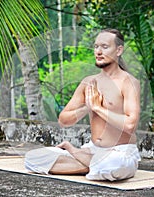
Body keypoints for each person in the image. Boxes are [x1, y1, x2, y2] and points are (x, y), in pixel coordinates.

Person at [25, 28, 141, 181]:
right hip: (92, 150)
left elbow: (130, 125)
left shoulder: (129, 82)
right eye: (96, 46)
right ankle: (91, 165)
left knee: (112, 165)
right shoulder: (89, 82)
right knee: (32, 158)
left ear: (119, 50)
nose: (98, 51)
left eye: (105, 47)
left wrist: (98, 108)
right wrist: (87, 107)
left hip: (119, 153)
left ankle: (76, 155)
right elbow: (64, 120)